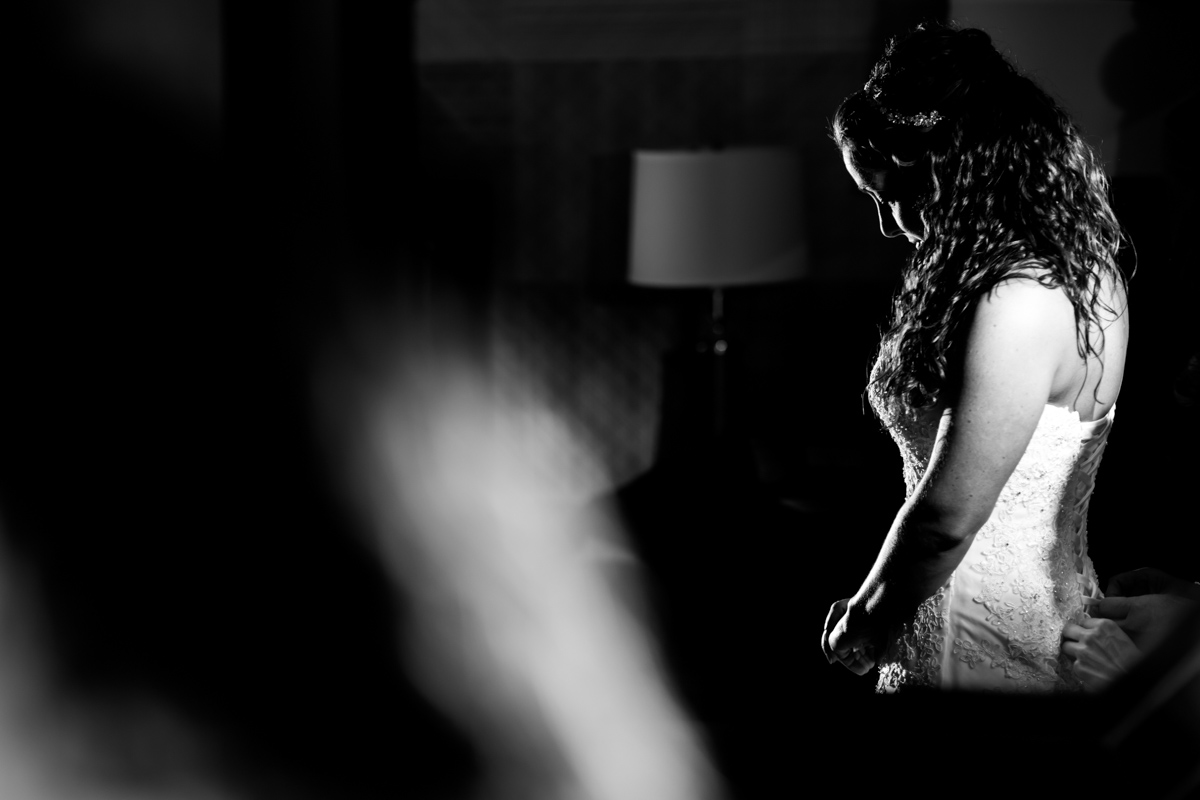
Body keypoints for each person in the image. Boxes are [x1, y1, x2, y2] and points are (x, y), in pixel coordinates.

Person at [820, 22, 1131, 692]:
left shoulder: (1018, 300)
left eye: (893, 195)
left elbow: (945, 521)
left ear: (945, 169)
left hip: (982, 656)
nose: (891, 225)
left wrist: (865, 619)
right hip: (1042, 624)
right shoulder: (1084, 268)